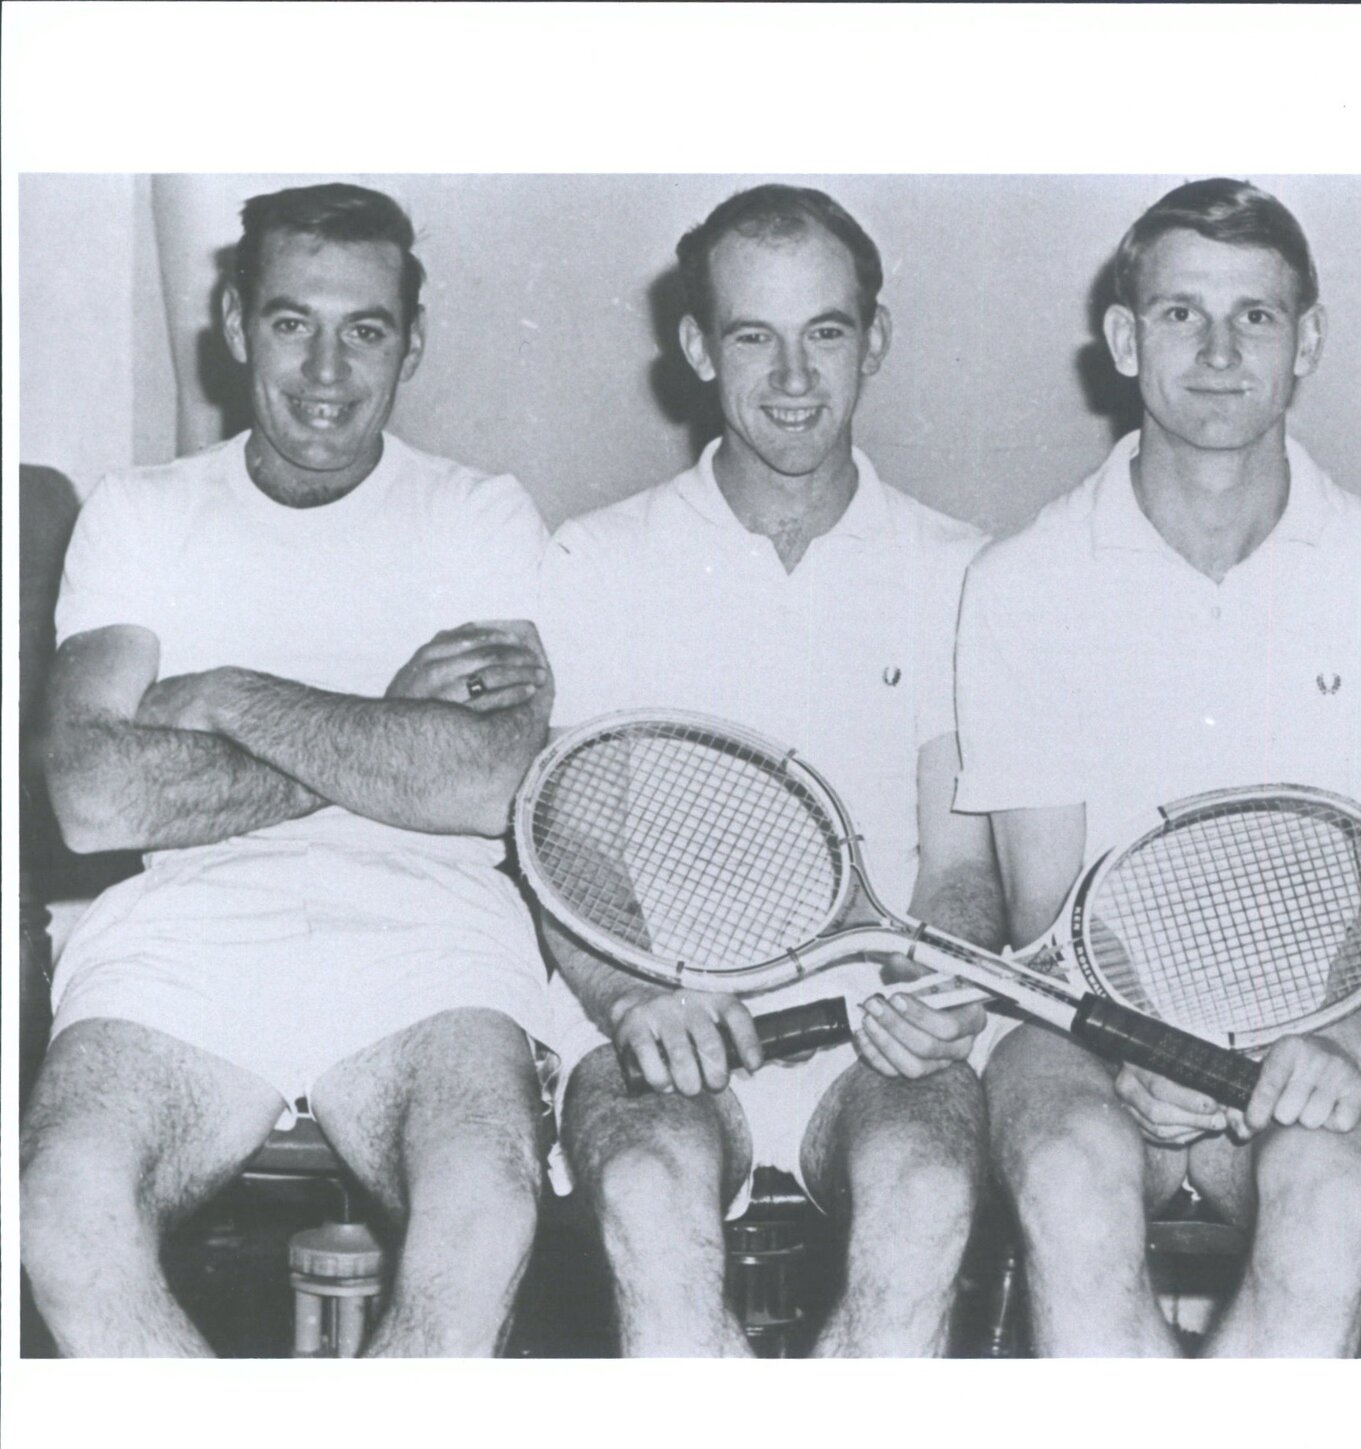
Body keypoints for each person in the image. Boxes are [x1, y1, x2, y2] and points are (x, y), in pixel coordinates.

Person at [22, 183, 562, 1357]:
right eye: (290, 322)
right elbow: (97, 798)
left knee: (486, 1216)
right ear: (231, 322)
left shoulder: (477, 512)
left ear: (411, 342)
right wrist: (383, 727)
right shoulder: (141, 512)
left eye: (364, 328)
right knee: (61, 1216)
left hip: (429, 928)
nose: (326, 369)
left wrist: (225, 698)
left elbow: (479, 786)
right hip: (185, 929)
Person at [953, 179, 1361, 1356]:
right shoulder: (1020, 581)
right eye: (1182, 315)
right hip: (1077, 1030)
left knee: (1329, 1211)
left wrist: (1339, 1040)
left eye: (1256, 318)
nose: (1220, 352)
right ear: (1126, 338)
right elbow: (1041, 912)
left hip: (1319, 1031)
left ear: (1306, 340)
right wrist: (1145, 1046)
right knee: (1073, 1198)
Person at [536, 185, 1000, 1357]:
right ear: (698, 347)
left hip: (877, 1041)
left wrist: (937, 985)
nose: (793, 376)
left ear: (874, 341)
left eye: (826, 332)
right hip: (660, 1027)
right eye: (753, 336)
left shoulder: (961, 573)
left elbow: (956, 864)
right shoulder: (597, 560)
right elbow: (576, 849)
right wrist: (637, 1000)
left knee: (928, 1202)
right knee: (647, 1199)